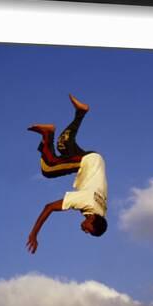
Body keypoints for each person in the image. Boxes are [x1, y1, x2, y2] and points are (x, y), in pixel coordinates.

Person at [26, 94, 108, 254]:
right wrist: (34, 234)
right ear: (92, 219)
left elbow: (101, 222)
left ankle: (81, 112)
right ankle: (47, 133)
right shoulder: (86, 202)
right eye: (88, 230)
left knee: (64, 145)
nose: (84, 231)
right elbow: (49, 207)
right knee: (48, 169)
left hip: (95, 161)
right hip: (87, 162)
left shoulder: (101, 211)